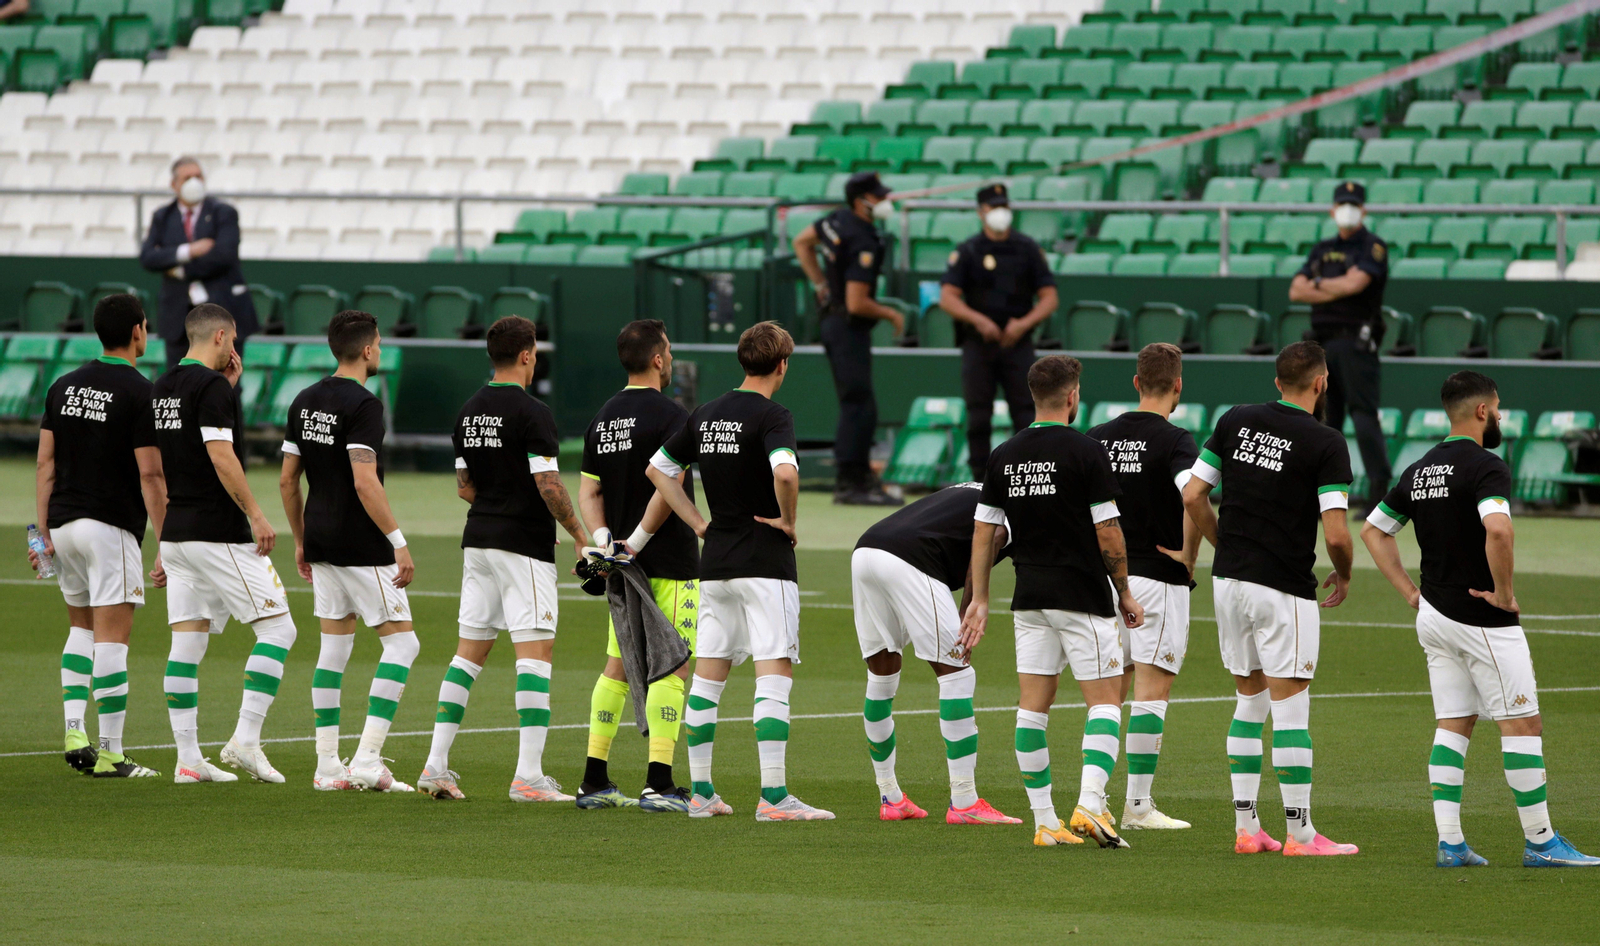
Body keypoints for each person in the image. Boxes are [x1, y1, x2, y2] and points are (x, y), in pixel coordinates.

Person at [1362, 371, 1600, 869]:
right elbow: (1499, 530)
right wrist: (1506, 594)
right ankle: (1541, 843)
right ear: (1482, 411)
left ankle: (1450, 844)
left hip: (1433, 616)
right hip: (1480, 618)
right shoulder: (1485, 465)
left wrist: (1410, 592)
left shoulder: (1419, 468)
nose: (1501, 416)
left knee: (1454, 723)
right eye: (1499, 407)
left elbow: (1374, 531)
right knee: (1522, 722)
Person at [646, 321, 833, 821]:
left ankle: (702, 794)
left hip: (717, 563)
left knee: (708, 677)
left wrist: (697, 522)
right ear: (782, 364)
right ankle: (773, 797)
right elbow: (786, 472)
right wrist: (788, 520)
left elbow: (658, 469)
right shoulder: (774, 415)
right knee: (773, 672)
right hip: (765, 562)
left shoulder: (706, 413)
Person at [1180, 340, 1357, 856]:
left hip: (1229, 582)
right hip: (1282, 587)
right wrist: (1343, 574)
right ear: (1321, 383)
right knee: (1291, 710)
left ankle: (1248, 829)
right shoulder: (1326, 442)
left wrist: (1224, 545)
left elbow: (1193, 494)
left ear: (1278, 382)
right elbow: (1339, 534)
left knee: (1248, 703)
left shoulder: (1235, 419)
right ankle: (1301, 835)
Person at [960, 354, 1145, 849]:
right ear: (1072, 396)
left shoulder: (1004, 453)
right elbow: (1108, 529)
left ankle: (1045, 822)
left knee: (1032, 709)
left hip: (1030, 596)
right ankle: (1088, 802)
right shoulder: (1086, 452)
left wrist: (979, 597)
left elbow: (985, 530)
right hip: (1081, 595)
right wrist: (1125, 591)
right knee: (1105, 703)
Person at [417, 316, 589, 803]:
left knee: (468, 653)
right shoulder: (534, 413)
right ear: (528, 355)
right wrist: (577, 534)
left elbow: (465, 487)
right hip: (522, 546)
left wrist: (502, 508)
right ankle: (528, 776)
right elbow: (549, 484)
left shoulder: (468, 410)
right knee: (535, 654)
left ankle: (435, 765)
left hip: (479, 541)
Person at [154, 303, 298, 785]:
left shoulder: (164, 387)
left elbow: (170, 460)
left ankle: (189, 759)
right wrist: (256, 514)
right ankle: (245, 741)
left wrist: (161, 540)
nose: (235, 350)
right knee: (279, 630)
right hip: (215, 531)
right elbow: (219, 455)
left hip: (177, 533)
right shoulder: (211, 387)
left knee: (187, 643)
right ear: (219, 336)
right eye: (233, 340)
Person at [278, 310, 418, 795]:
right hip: (361, 544)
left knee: (334, 649)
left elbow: (287, 480)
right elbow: (365, 480)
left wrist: (300, 539)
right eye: (378, 344)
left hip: (319, 537)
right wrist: (398, 542)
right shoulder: (365, 405)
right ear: (366, 350)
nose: (379, 351)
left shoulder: (304, 399)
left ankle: (326, 766)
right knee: (403, 644)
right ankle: (367, 759)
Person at [34, 294, 166, 779]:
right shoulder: (140, 392)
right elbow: (150, 475)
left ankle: (74, 729)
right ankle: (111, 752)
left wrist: (41, 535)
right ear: (137, 333)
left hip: (63, 526)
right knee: (113, 640)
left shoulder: (63, 386)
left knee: (80, 630)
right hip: (109, 529)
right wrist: (166, 544)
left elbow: (45, 463)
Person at [574, 319, 701, 813]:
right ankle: (659, 783)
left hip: (620, 571)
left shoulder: (602, 418)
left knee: (619, 664)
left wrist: (604, 541)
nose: (669, 358)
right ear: (657, 359)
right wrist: (637, 543)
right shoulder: (673, 415)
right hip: (665, 559)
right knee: (674, 661)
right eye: (667, 351)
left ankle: (594, 779)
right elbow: (666, 487)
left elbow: (588, 490)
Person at [852, 483, 1020, 825]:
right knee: (957, 674)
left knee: (881, 676)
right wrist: (969, 611)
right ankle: (964, 801)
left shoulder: (974, 486)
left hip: (866, 549)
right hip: (911, 557)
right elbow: (989, 538)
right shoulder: (1015, 504)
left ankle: (890, 797)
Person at [1086, 343, 1199, 830]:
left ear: (1135, 383)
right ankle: (1138, 806)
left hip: (1103, 579)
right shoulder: (1176, 440)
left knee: (1110, 692)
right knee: (1153, 691)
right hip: (1157, 577)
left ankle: (1096, 797)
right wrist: (1192, 554)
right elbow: (1192, 493)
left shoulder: (1096, 438)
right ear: (1177, 386)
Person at [792, 171, 905, 506]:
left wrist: (819, 284)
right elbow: (859, 302)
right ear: (863, 201)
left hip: (832, 320)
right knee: (859, 405)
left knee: (857, 402)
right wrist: (891, 314)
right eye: (880, 197)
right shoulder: (864, 238)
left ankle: (855, 478)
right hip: (848, 325)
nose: (885, 202)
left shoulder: (837, 220)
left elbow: (801, 241)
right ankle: (851, 482)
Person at [939, 183, 1059, 480]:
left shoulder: (1027, 248)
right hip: (979, 343)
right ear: (981, 212)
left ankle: (1025, 472)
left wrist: (1024, 323)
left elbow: (1049, 297)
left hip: (1017, 343)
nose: (1000, 213)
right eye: (993, 207)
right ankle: (979, 479)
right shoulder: (968, 250)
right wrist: (977, 320)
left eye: (1004, 206)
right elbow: (948, 297)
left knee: (1025, 412)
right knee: (978, 414)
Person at [1289, 181, 1391, 510]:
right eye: (1342, 203)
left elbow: (1357, 283)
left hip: (1355, 343)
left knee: (1363, 417)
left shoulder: (1372, 246)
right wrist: (1334, 285)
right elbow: (1296, 291)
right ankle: (1323, 496)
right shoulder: (1321, 248)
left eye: (1353, 203)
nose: (1347, 209)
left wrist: (1318, 285)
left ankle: (1377, 492)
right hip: (1321, 345)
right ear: (1332, 210)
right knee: (1323, 421)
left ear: (1363, 209)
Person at [139, 157, 257, 370]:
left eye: (198, 176)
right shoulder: (163, 217)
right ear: (174, 184)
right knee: (179, 380)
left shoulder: (224, 212)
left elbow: (223, 256)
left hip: (222, 309)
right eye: (187, 178)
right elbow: (148, 257)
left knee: (226, 382)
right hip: (178, 316)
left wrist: (180, 269)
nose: (194, 182)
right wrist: (189, 251)